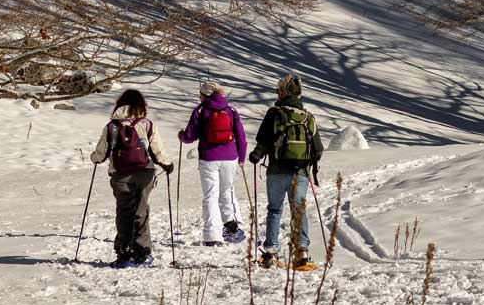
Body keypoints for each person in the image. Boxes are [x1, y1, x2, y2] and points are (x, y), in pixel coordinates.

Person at [247, 74, 324, 270]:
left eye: (278, 90)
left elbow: (263, 141)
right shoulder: (308, 117)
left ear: (283, 92)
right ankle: (302, 253)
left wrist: (255, 156)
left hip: (276, 170)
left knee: (274, 210)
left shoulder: (274, 113)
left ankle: (271, 252)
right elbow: (318, 149)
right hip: (300, 172)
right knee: (298, 210)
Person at [91, 89, 174, 268]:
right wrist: (167, 165)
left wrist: (94, 158)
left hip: (120, 174)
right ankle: (142, 252)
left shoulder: (112, 126)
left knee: (124, 211)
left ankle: (123, 251)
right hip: (144, 173)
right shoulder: (146, 124)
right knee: (141, 210)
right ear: (141, 105)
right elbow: (157, 150)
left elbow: (101, 153)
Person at [178, 81, 247, 246]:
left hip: (209, 158)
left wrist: (181, 135)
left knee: (211, 195)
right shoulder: (230, 110)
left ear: (204, 95)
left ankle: (213, 236)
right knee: (227, 191)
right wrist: (242, 157)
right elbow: (241, 136)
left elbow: (189, 136)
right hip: (230, 157)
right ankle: (232, 228)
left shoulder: (201, 110)